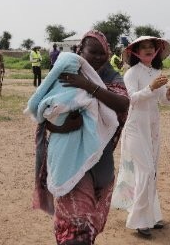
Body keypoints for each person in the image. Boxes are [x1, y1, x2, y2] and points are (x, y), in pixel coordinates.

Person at [26, 30, 129, 245]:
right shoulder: (66, 72)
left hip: (99, 161)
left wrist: (87, 85)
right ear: (80, 50)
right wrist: (62, 128)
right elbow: (47, 111)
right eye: (93, 52)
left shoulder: (111, 76)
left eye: (103, 53)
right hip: (69, 161)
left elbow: (122, 104)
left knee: (89, 225)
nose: (99, 58)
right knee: (75, 228)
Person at [112, 36, 170, 238]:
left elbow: (162, 101)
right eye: (144, 47)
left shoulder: (157, 72)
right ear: (136, 52)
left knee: (152, 172)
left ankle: (151, 215)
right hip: (135, 127)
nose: (148, 49)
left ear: (156, 51)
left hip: (152, 127)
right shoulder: (131, 73)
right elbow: (133, 99)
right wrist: (152, 87)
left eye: (151, 47)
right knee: (146, 171)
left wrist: (169, 95)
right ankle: (139, 220)